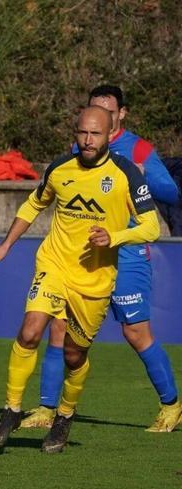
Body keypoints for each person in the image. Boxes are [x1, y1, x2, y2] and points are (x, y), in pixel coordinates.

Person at [0, 106, 161, 453]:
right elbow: (34, 204)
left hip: (94, 279)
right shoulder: (61, 169)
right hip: (55, 265)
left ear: (110, 135)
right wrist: (5, 245)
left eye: (95, 134)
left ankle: (63, 416)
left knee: (74, 356)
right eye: (82, 133)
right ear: (75, 133)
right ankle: (11, 409)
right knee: (31, 330)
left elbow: (152, 226)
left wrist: (115, 237)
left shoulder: (125, 173)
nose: (88, 140)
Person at [20, 85, 182, 433]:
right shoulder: (83, 148)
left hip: (126, 254)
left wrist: (145, 173)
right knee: (59, 329)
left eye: (106, 112)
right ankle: (47, 408)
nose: (97, 121)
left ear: (119, 116)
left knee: (136, 332)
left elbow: (171, 192)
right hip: (84, 257)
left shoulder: (138, 149)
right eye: (92, 110)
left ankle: (171, 406)